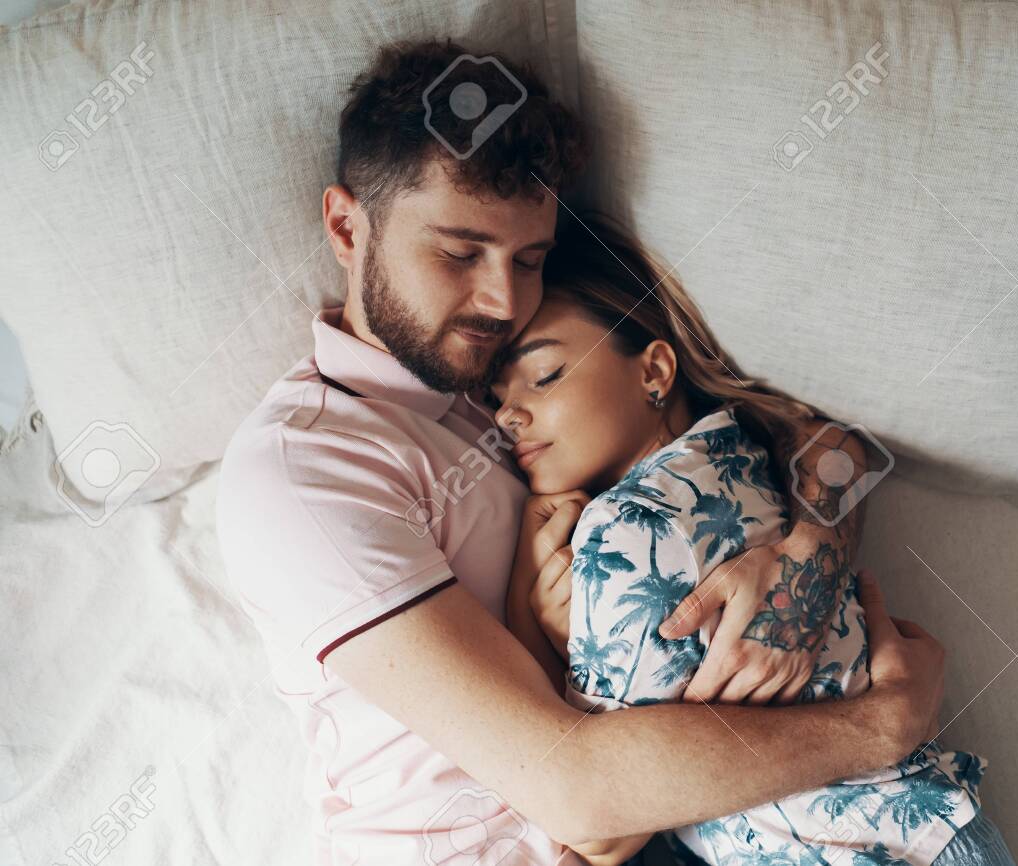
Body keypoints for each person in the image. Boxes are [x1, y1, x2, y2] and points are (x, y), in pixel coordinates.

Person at [217, 37, 946, 864]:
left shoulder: (519, 375)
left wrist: (805, 561)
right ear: (348, 226)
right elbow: (579, 799)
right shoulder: (305, 468)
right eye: (459, 253)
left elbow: (812, 440)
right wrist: (883, 725)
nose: (500, 299)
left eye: (527, 258)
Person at [492, 216, 1016, 866]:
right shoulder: (748, 450)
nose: (507, 413)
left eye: (544, 375)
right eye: (497, 394)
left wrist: (529, 604)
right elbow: (834, 447)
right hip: (940, 832)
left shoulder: (622, 532)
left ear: (655, 369)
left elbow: (600, 825)